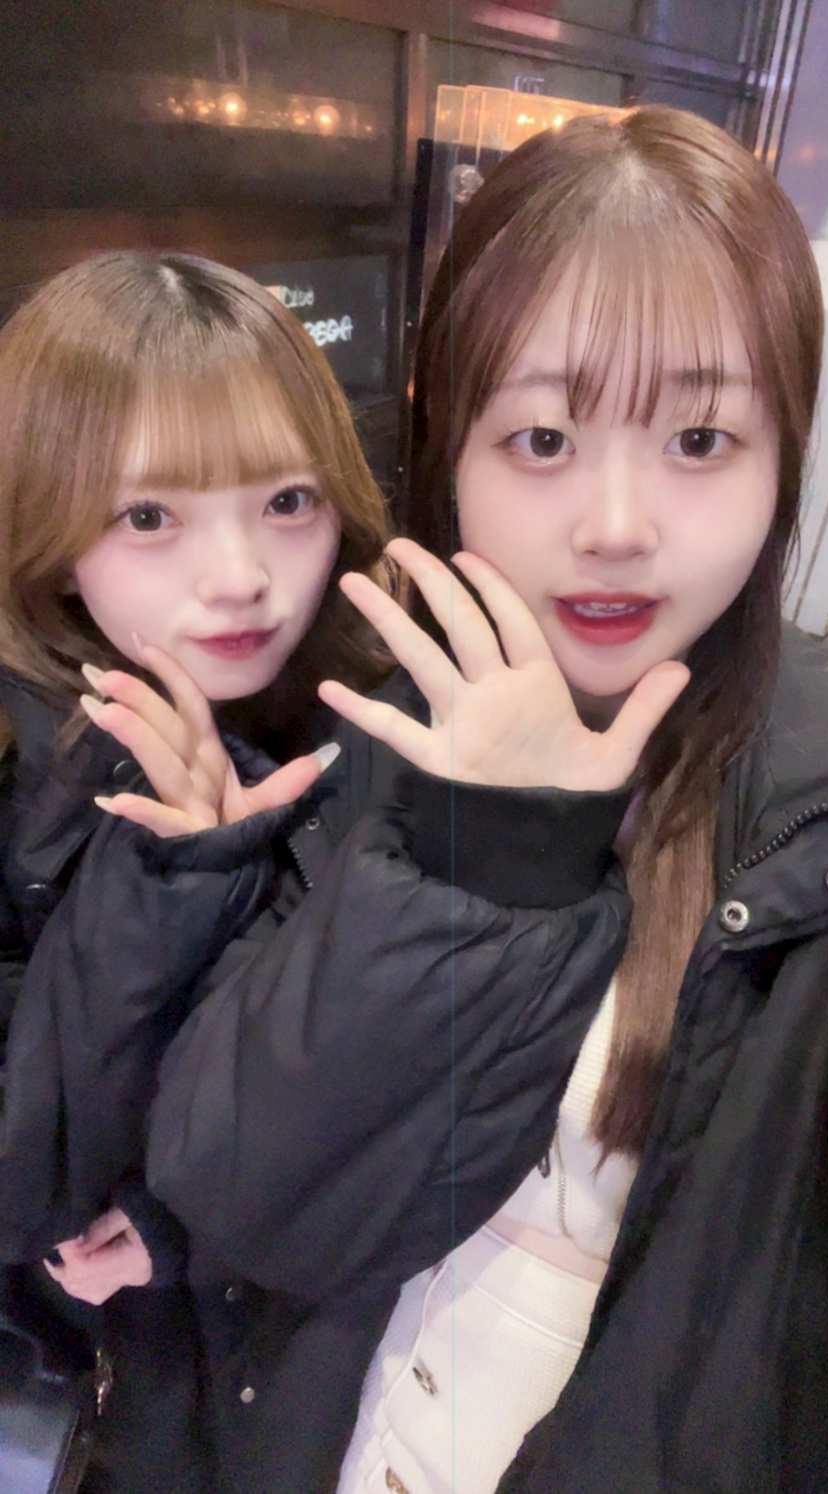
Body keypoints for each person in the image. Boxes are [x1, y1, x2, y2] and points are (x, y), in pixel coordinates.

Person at [144, 105, 828, 1494]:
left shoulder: (813, 819)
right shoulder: (374, 721)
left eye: (702, 437)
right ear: (445, 451)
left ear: (785, 462)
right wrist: (500, 850)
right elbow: (241, 1199)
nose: (617, 526)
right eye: (542, 438)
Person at [0, 248, 390, 1492]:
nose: (240, 578)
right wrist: (165, 874)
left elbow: (379, 1100)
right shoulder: (28, 775)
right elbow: (29, 1194)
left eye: (287, 500)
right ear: (47, 532)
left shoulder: (385, 737)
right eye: (149, 516)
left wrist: (178, 1221)